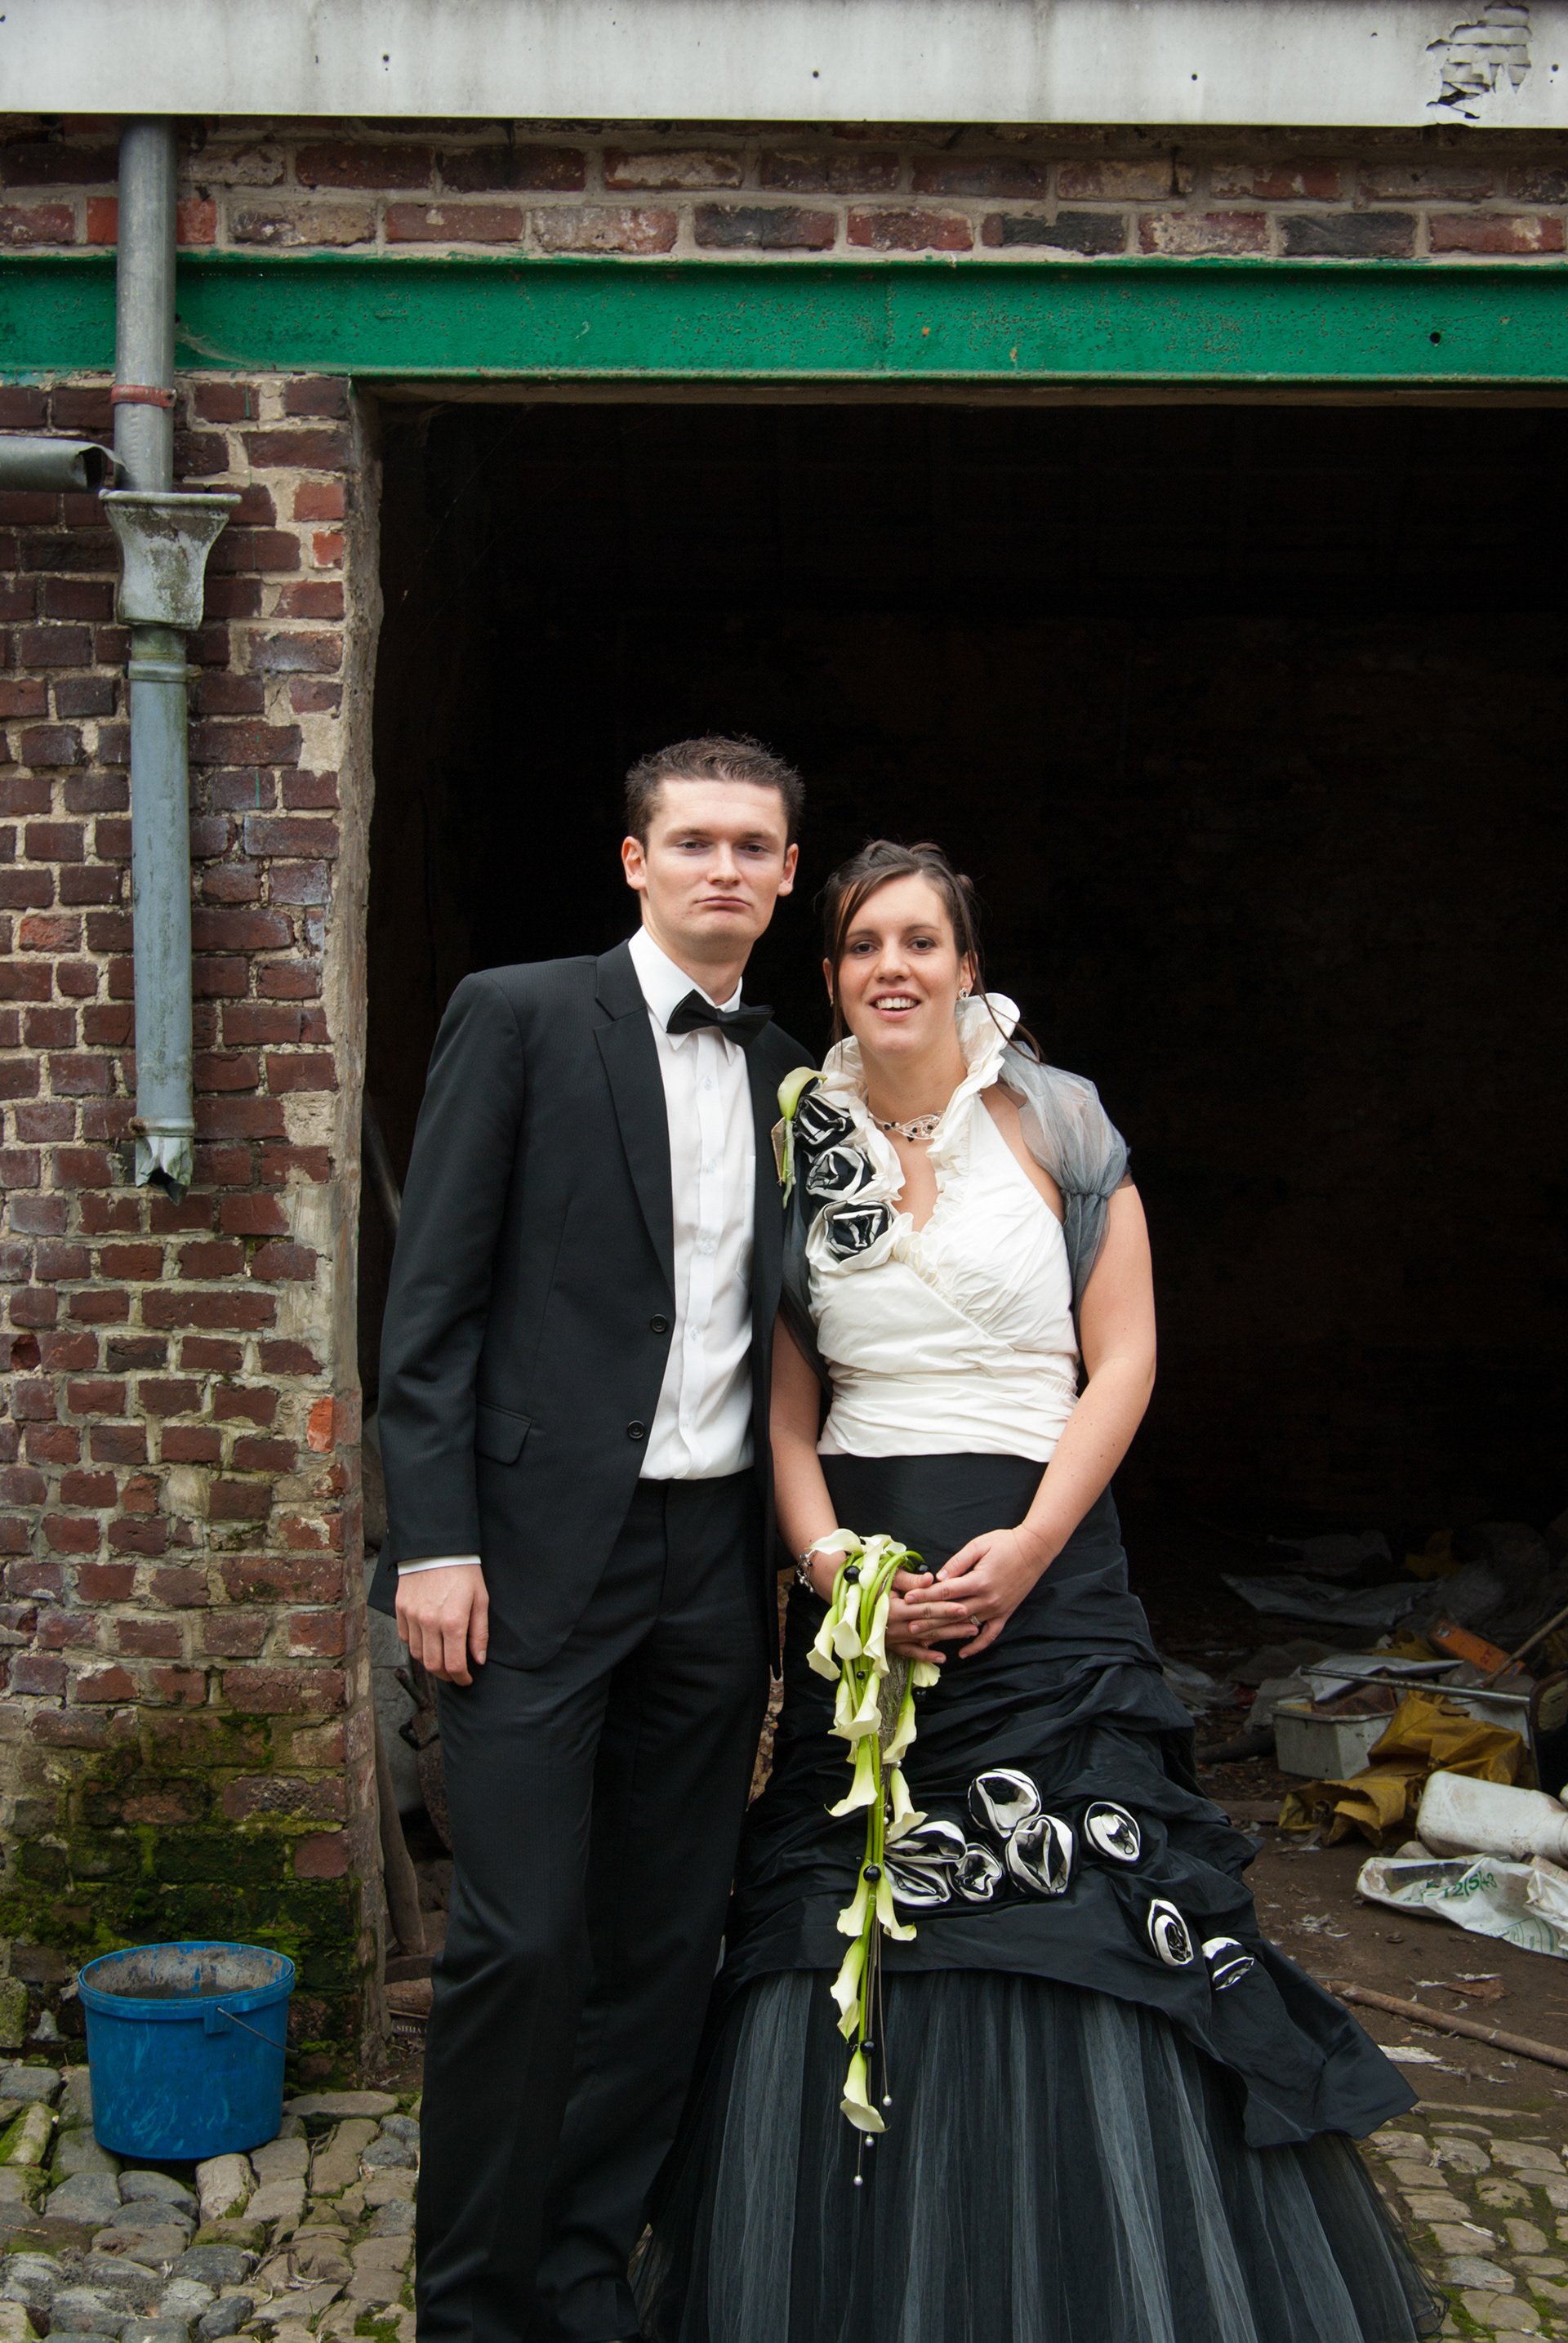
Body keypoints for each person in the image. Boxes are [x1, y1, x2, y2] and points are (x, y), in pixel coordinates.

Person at [635, 840, 1440, 2343]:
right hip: (868, 1608)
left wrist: (1032, 1544)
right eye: (864, 944)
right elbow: (787, 1416)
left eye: (920, 940)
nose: (892, 967)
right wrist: (833, 1575)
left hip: (1048, 1585)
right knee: (842, 1916)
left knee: (1082, 1911)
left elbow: (1123, 1357)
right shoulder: (799, 1141)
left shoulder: (1061, 1121)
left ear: (967, 965)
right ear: (832, 976)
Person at [371, 736, 813, 2343]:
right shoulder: (519, 1014)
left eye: (752, 845)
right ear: (636, 860)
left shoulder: (794, 1074)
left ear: (785, 876)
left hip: (716, 1557)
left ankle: (578, 2271)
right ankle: (473, 2304)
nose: (723, 867)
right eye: (693, 840)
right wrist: (436, 1541)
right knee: (520, 1937)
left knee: (665, 1938)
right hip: (530, 1556)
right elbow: (432, 1307)